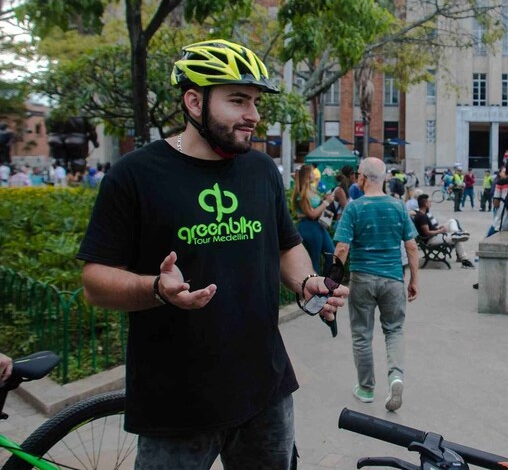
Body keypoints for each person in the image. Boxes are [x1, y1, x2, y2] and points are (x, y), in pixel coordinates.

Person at [76, 39, 348, 470]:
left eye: (255, 102)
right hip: (176, 405)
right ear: (193, 100)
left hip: (265, 390)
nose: (253, 116)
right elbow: (95, 281)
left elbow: (285, 244)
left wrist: (306, 281)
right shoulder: (135, 175)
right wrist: (155, 289)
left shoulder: (261, 170)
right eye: (238, 100)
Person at [333, 157, 419, 412]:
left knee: (362, 334)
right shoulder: (398, 206)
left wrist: (332, 283)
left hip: (363, 279)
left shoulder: (354, 207)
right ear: (384, 179)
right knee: (394, 330)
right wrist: (414, 279)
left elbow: (342, 246)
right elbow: (411, 245)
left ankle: (366, 388)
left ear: (361, 178)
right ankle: (395, 377)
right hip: (393, 278)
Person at [293, 164, 336, 272]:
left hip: (319, 225)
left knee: (331, 255)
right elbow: (311, 214)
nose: (314, 174)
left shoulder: (312, 188)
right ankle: (313, 287)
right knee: (314, 260)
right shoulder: (301, 193)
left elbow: (317, 208)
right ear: (307, 175)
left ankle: (325, 284)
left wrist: (324, 200)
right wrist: (326, 202)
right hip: (309, 227)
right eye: (312, 172)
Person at [414, 193, 475, 268]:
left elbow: (429, 229)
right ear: (425, 203)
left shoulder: (422, 214)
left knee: (451, 221)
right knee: (456, 239)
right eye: (429, 201)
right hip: (431, 240)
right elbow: (427, 233)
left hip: (434, 235)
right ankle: (464, 259)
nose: (431, 203)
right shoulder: (421, 217)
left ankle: (456, 233)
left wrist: (439, 229)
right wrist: (440, 231)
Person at [488, 162, 508, 236]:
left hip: (502, 221)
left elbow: (496, 204)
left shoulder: (501, 182)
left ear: (506, 171)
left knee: (487, 239)